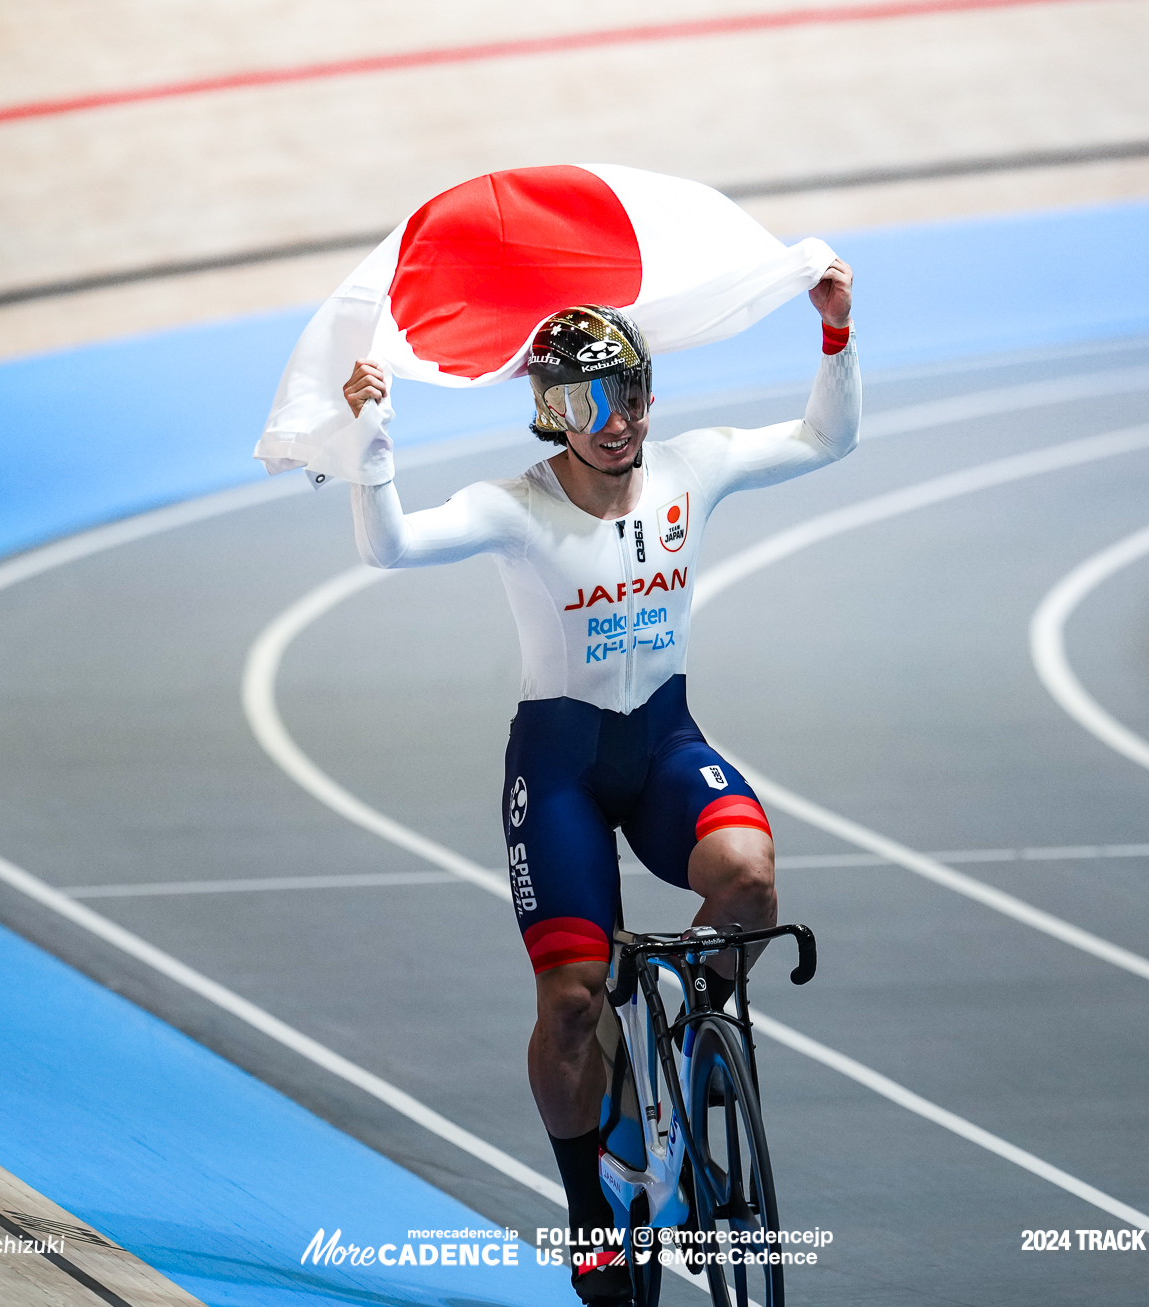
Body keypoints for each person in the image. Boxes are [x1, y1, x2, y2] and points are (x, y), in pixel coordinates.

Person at [340, 259, 857, 1305]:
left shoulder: (692, 467)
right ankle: (589, 1202)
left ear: (648, 394)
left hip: (663, 740)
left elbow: (824, 438)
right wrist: (372, 440)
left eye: (623, 393)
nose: (610, 420)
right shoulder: (514, 507)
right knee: (572, 1004)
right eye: (582, 401)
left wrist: (837, 334)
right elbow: (386, 545)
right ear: (548, 414)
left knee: (750, 882)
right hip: (562, 766)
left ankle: (682, 1018)